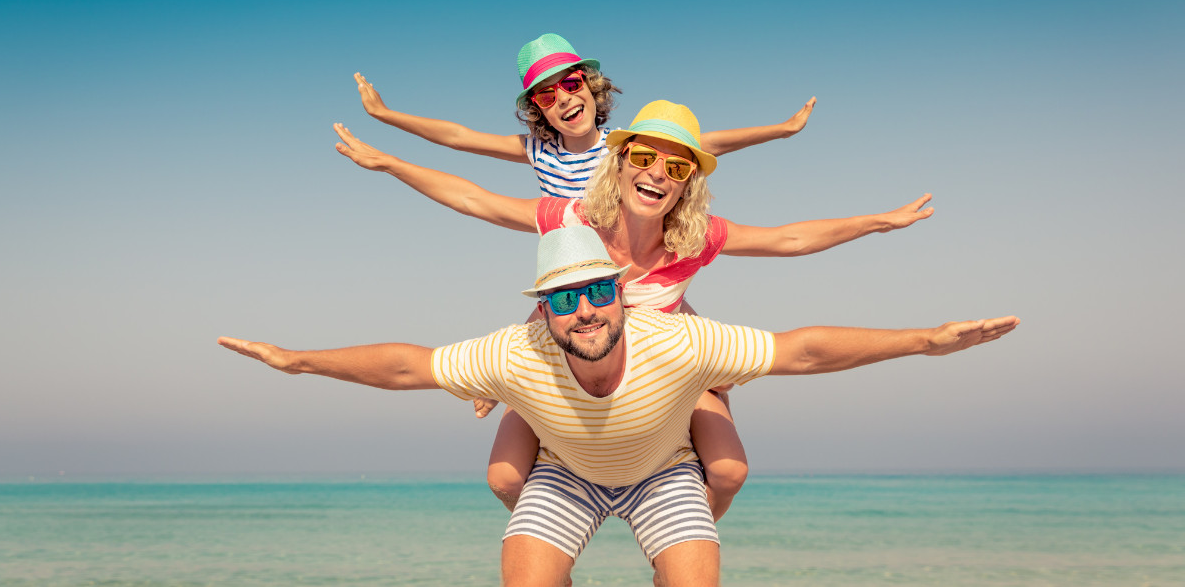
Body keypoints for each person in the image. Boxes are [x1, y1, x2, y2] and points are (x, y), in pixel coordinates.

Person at [217, 225, 1020, 587]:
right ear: (545, 311)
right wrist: (297, 362)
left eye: (599, 290)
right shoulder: (518, 351)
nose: (586, 311)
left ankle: (672, 531)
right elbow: (406, 367)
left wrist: (925, 340)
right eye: (565, 299)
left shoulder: (677, 344)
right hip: (567, 476)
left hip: (664, 474)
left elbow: (799, 349)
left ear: (621, 296)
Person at [332, 99, 935, 519]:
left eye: (676, 167)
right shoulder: (573, 221)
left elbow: (792, 239)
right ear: (619, 162)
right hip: (572, 361)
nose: (656, 175)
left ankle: (692, 523)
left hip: (665, 367)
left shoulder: (694, 237)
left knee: (728, 473)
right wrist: (389, 163)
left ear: (688, 183)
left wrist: (880, 221)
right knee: (503, 478)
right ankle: (562, 507)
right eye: (644, 159)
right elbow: (472, 199)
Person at [354, 33, 817, 198]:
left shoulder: (624, 148)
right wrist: (387, 116)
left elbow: (707, 142)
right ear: (538, 110)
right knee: (528, 345)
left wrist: (781, 130)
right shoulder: (539, 151)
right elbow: (458, 136)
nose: (563, 101)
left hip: (632, 265)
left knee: (715, 373)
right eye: (546, 97)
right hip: (572, 269)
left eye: (572, 86)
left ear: (592, 89)